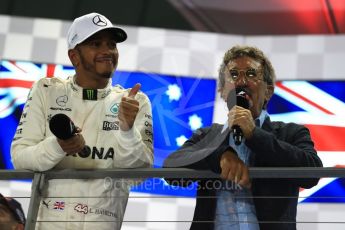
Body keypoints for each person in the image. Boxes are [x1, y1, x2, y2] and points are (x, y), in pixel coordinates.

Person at [10, 12, 153, 230]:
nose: (107, 51)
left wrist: (126, 130)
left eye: (112, 44)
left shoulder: (134, 101)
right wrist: (59, 146)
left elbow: (138, 175)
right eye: (96, 44)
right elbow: (20, 158)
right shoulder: (46, 90)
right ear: (74, 56)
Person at [164, 45, 323, 230]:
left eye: (250, 74)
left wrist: (254, 134)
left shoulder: (291, 133)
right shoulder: (207, 136)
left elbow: (312, 174)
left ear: (268, 92)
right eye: (233, 75)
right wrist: (220, 155)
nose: (241, 81)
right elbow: (171, 169)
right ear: (222, 91)